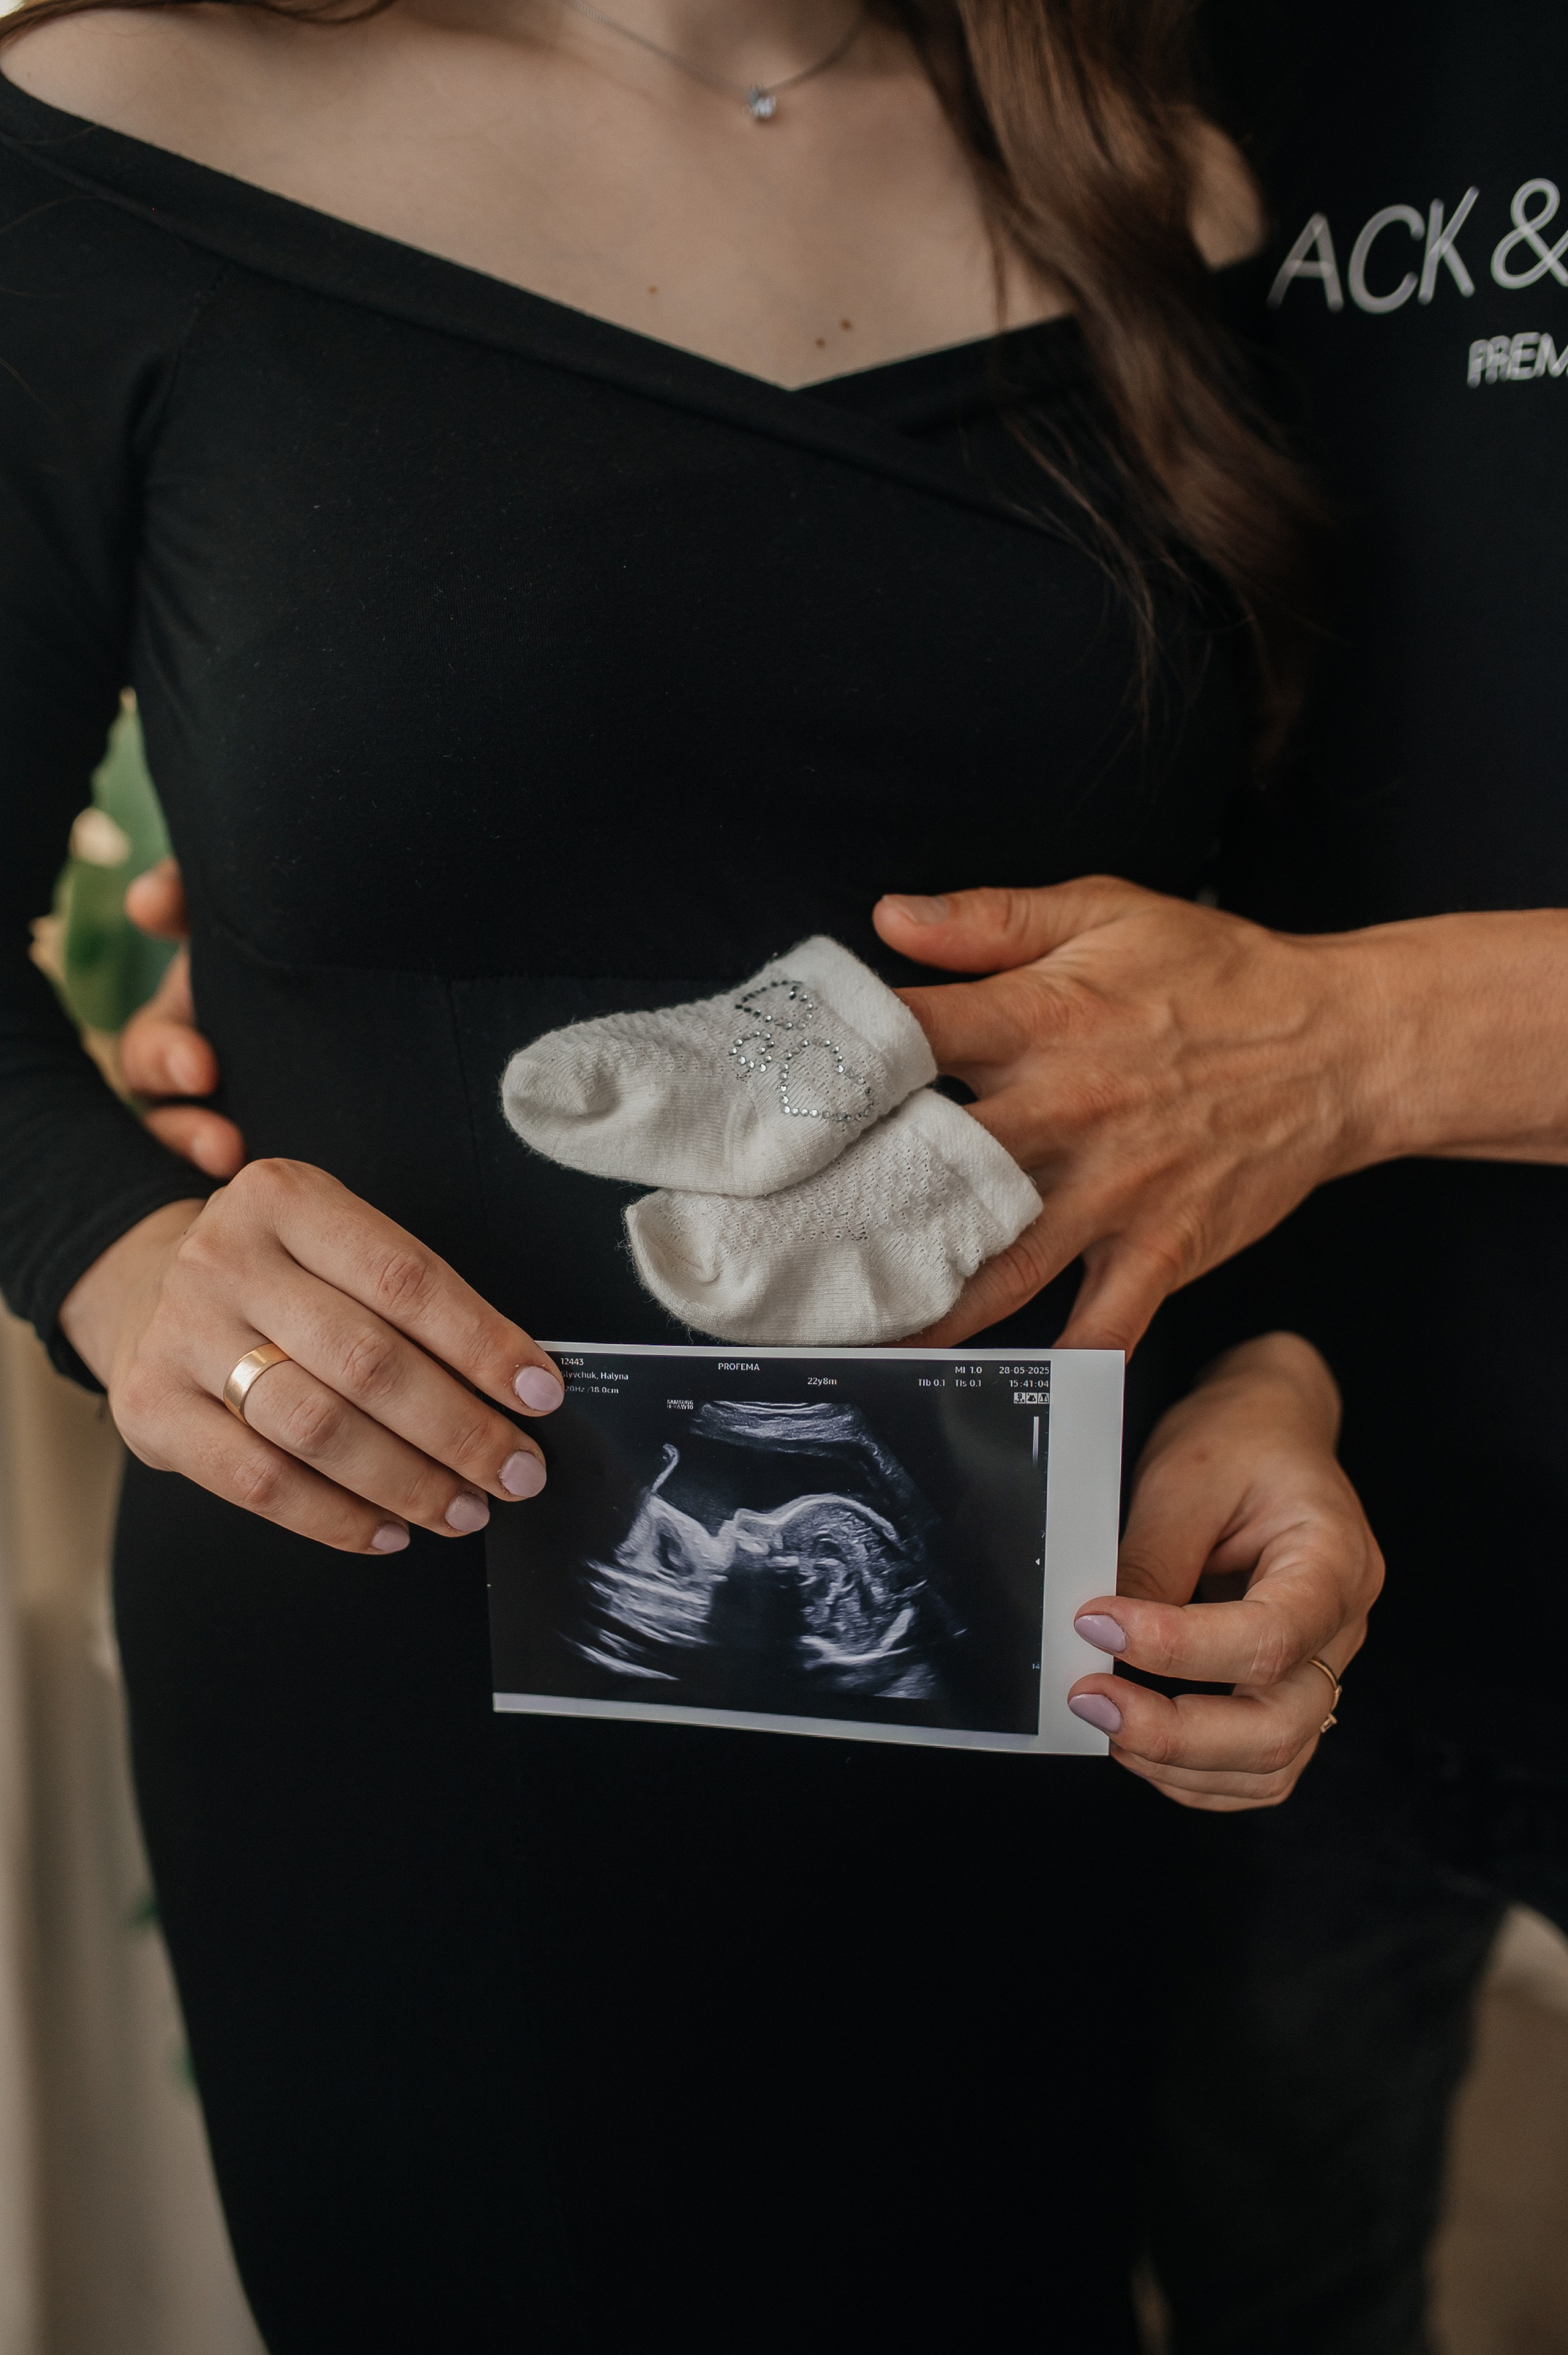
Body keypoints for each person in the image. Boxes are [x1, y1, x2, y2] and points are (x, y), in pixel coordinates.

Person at [0, 0, 1383, 2345]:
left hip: (1039, 1664)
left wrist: (1283, 1380)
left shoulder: (1179, 177)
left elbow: (1278, 980)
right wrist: (110, 1252)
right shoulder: (115, 136)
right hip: (396, 1681)